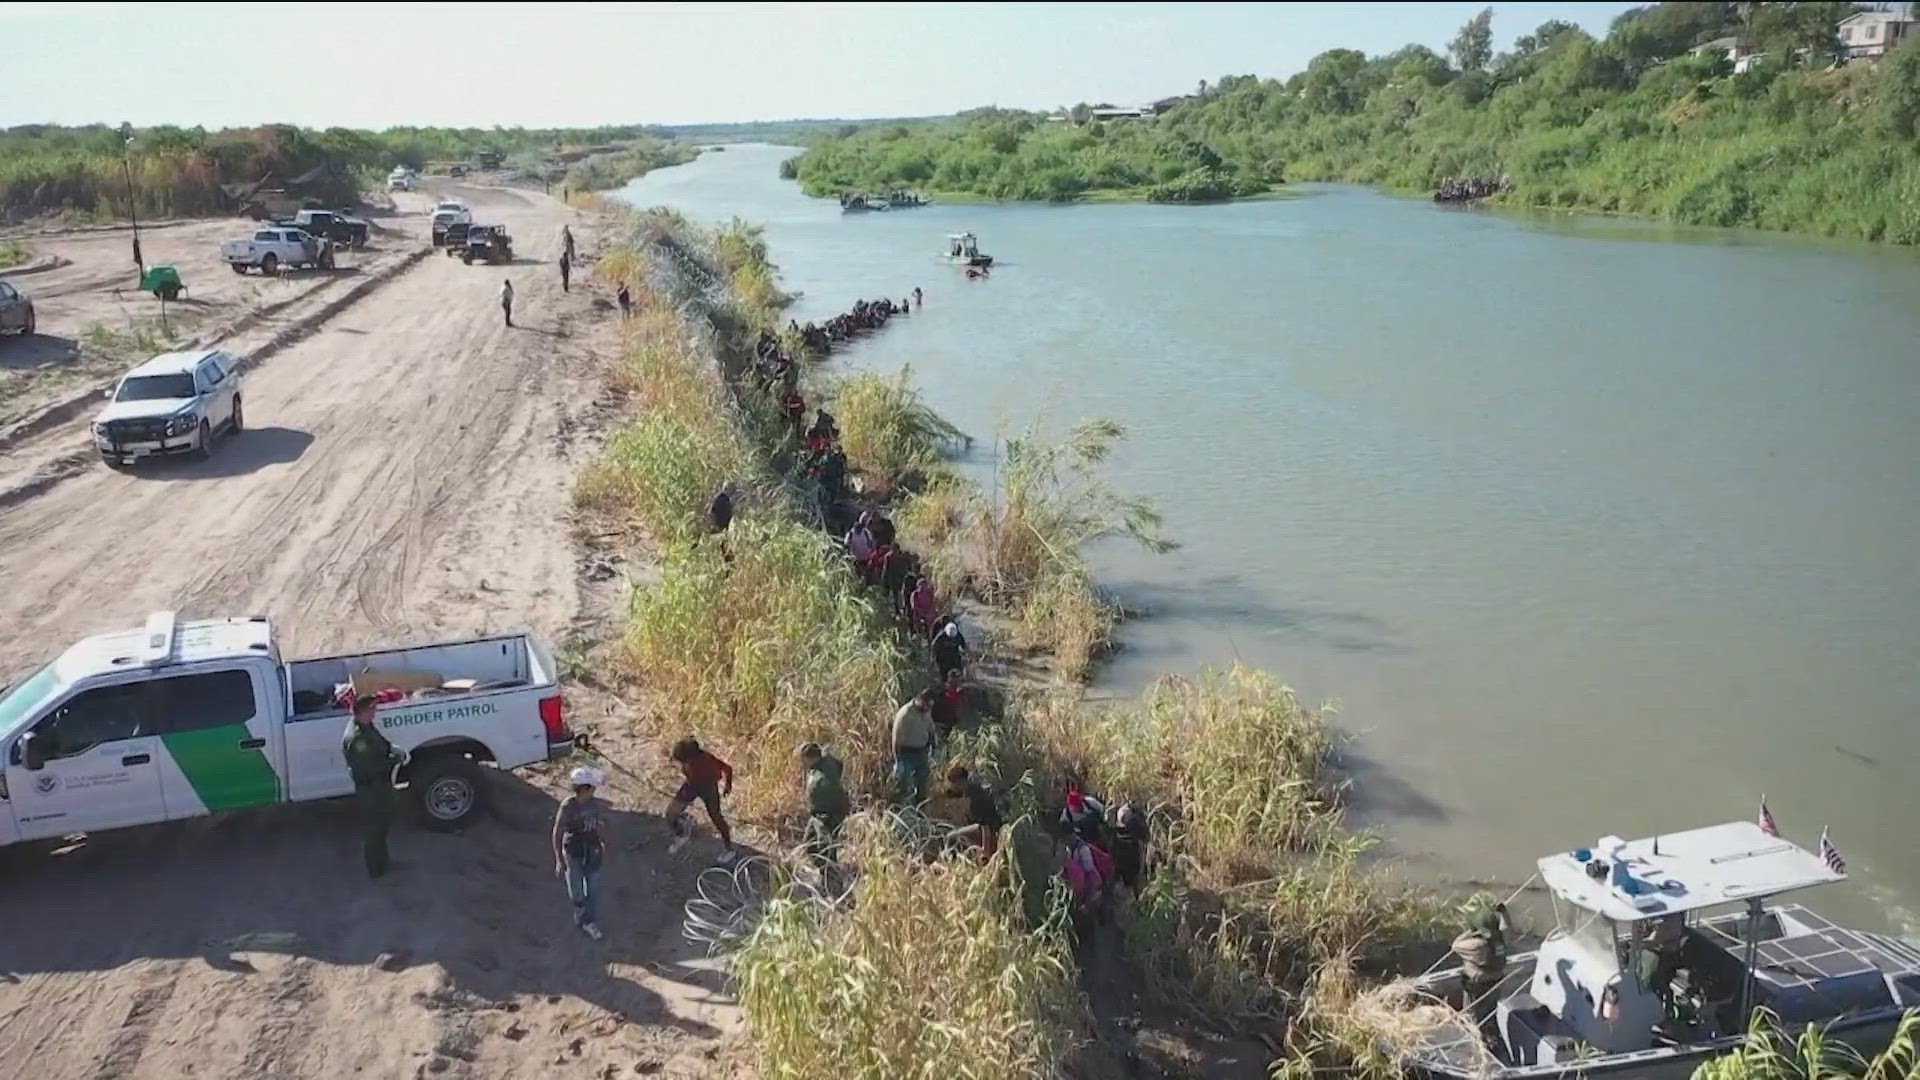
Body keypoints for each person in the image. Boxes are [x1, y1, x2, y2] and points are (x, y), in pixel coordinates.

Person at [341, 695, 404, 878]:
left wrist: (392, 749)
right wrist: (395, 760)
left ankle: (383, 862)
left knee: (382, 826)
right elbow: (370, 768)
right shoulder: (357, 737)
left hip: (379, 786)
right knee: (374, 830)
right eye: (372, 709)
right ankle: (376, 870)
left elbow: (381, 743)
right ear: (363, 711)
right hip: (371, 788)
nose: (375, 712)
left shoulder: (367, 727)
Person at [552, 765, 608, 940]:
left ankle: (588, 921)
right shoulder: (567, 806)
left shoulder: (595, 805)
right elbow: (557, 832)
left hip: (593, 850)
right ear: (583, 789)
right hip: (574, 852)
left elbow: (598, 824)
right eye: (591, 788)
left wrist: (604, 841)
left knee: (593, 888)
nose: (594, 791)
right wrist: (559, 860)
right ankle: (581, 915)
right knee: (576, 890)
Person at [667, 737, 736, 861]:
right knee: (671, 813)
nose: (682, 764)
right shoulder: (690, 761)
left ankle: (729, 849)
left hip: (708, 789)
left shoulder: (708, 761)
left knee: (716, 817)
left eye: (683, 761)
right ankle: (682, 832)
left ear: (691, 758)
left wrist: (728, 786)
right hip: (691, 785)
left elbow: (727, 768)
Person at [1452, 903, 1510, 1035]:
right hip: (1495, 984)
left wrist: (1471, 931)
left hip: (1478, 987)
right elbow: (1507, 927)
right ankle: (1491, 1036)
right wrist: (1504, 913)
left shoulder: (1478, 946)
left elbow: (1455, 945)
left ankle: (1478, 1041)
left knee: (1472, 1019)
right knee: (1490, 1014)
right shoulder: (1500, 938)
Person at [800, 743, 851, 866]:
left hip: (826, 815)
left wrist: (826, 817)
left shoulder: (826, 775)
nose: (803, 763)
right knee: (810, 844)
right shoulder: (820, 767)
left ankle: (830, 875)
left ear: (811, 758)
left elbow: (834, 795)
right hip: (817, 814)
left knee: (826, 848)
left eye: (804, 759)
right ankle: (822, 869)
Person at [945, 764, 1003, 858]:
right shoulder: (971, 790)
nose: (952, 787)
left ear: (959, 781)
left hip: (991, 833)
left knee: (950, 837)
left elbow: (985, 825)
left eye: (953, 784)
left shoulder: (975, 796)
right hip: (988, 830)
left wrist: (985, 850)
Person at [891, 689, 937, 803]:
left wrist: (934, 745)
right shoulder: (905, 714)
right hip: (906, 753)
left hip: (922, 751)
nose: (928, 709)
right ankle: (898, 808)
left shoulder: (926, 711)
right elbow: (896, 740)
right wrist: (898, 760)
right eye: (927, 706)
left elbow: (930, 728)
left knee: (922, 783)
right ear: (920, 700)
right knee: (902, 784)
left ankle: (919, 809)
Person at [1109, 801, 1148, 895]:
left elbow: (1142, 847)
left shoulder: (1121, 831)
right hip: (1129, 861)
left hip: (1129, 861)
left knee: (1132, 881)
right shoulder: (1121, 831)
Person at [930, 668, 966, 739]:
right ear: (950, 678)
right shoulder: (941, 690)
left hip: (952, 723)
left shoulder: (960, 691)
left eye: (959, 678)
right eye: (956, 678)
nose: (958, 680)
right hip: (939, 723)